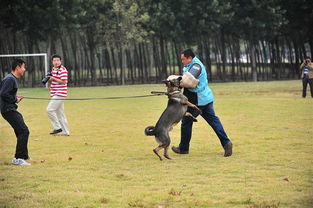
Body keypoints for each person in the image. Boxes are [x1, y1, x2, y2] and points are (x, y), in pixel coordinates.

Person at [171, 48, 233, 157]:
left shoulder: (196, 66)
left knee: (186, 121)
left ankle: (183, 148)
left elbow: (188, 81)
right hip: (206, 99)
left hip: (197, 100)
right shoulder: (191, 65)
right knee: (213, 121)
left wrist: (176, 83)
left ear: (190, 58)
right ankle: (226, 143)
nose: (182, 61)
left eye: (183, 59)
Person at [0, 59, 31, 165]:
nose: (24, 69)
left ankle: (24, 156)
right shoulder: (9, 79)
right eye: (23, 67)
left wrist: (15, 98)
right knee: (24, 131)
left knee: (21, 130)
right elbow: (3, 93)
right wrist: (15, 99)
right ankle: (18, 158)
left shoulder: (12, 78)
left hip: (10, 109)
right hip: (8, 110)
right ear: (17, 68)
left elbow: (7, 93)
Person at [46, 54, 70, 136]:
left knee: (49, 109)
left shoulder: (63, 70)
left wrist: (53, 79)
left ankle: (57, 127)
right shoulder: (53, 69)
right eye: (54, 60)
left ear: (60, 61)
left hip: (60, 94)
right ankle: (66, 132)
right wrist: (49, 79)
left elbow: (64, 81)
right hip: (55, 93)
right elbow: (55, 81)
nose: (56, 62)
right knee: (60, 114)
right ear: (52, 62)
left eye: (57, 60)